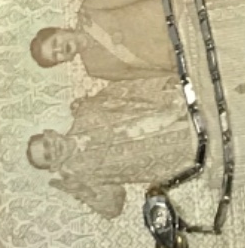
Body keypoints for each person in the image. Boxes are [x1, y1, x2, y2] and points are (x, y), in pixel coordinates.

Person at [27, 88, 192, 220]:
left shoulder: (87, 111)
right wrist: (84, 193)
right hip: (172, 157)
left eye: (47, 143)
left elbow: (128, 93)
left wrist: (168, 96)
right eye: (48, 156)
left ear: (51, 133)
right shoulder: (84, 176)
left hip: (175, 113)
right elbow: (114, 207)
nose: (53, 149)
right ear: (54, 166)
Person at [30, 0, 175, 83]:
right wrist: (176, 74)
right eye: (56, 55)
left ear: (60, 30)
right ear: (63, 61)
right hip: (176, 54)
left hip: (175, 15)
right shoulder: (96, 69)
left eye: (55, 42)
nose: (60, 49)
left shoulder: (90, 7)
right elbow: (143, 76)